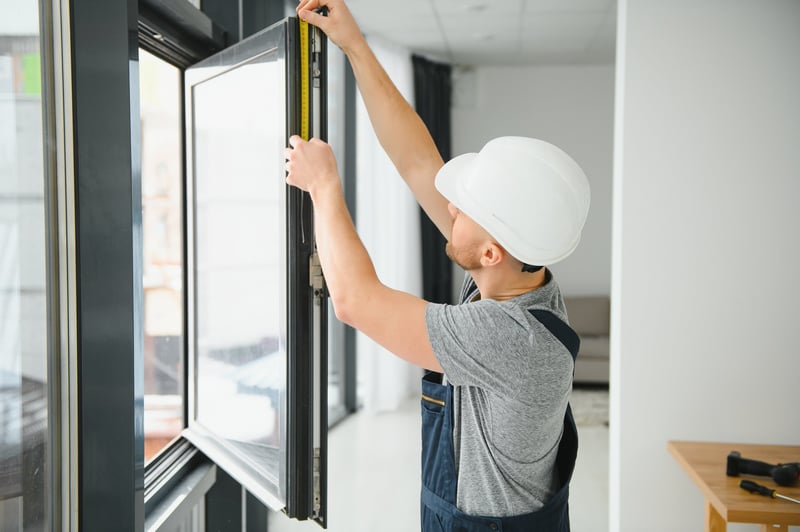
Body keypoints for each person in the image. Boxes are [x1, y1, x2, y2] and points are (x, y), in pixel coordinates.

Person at [286, 1, 591, 530]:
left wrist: (324, 188)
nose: (449, 206)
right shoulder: (523, 276)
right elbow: (418, 161)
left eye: (464, 208)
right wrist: (355, 45)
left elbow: (356, 302)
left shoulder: (508, 336)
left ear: (492, 252)